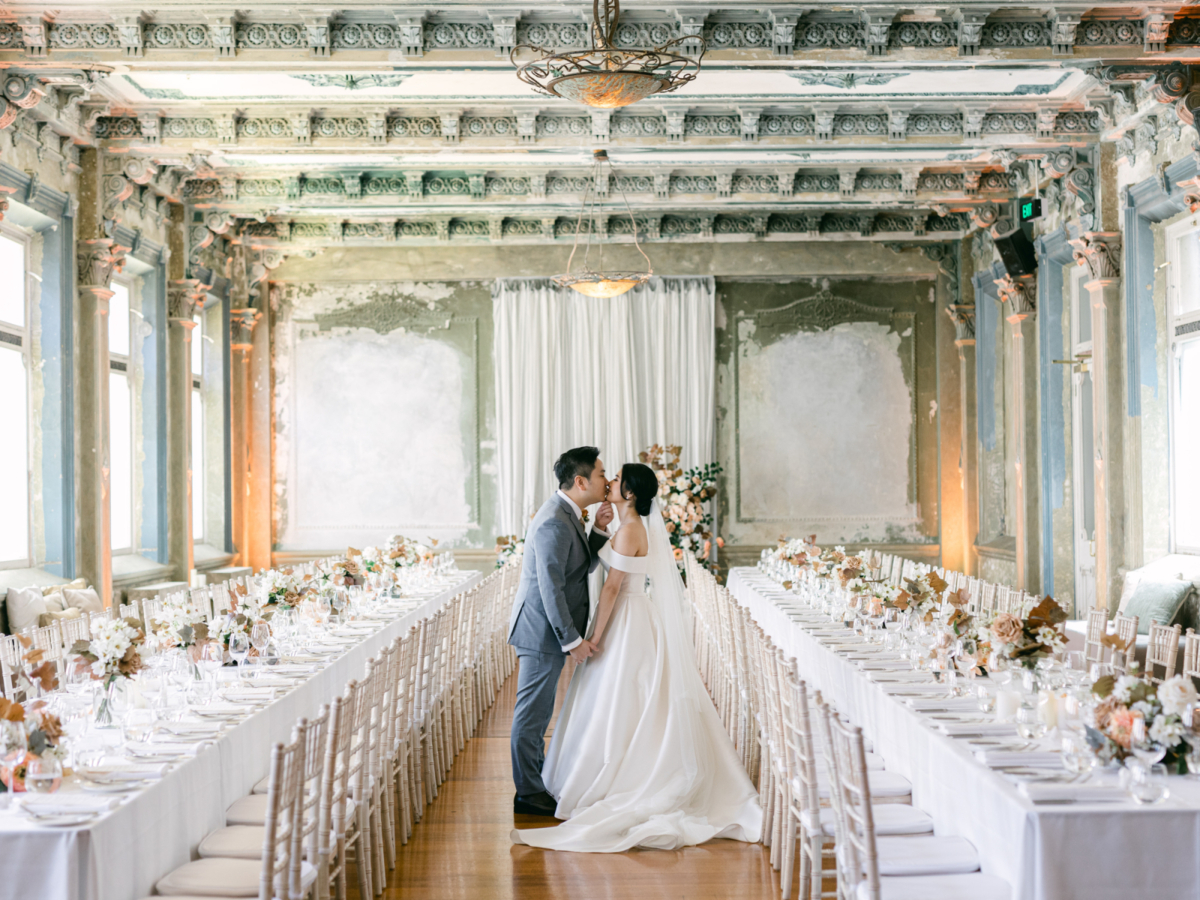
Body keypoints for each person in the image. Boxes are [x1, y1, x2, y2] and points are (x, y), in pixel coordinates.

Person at [511, 462, 762, 851]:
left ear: (628, 493)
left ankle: (616, 773)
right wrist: (599, 531)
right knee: (613, 696)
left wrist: (591, 637)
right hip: (623, 616)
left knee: (623, 694)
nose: (607, 480)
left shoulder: (630, 531)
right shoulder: (621, 528)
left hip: (624, 617)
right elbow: (582, 568)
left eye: (614, 479)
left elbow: (611, 589)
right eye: (602, 474)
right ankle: (538, 786)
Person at [507, 446, 614, 816]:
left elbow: (577, 569)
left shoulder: (567, 513)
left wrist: (598, 529)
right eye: (601, 474)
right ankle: (527, 794)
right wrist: (572, 640)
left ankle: (534, 785)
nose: (606, 479)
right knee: (532, 714)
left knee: (539, 712)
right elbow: (549, 587)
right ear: (581, 480)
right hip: (540, 632)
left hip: (546, 630)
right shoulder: (554, 519)